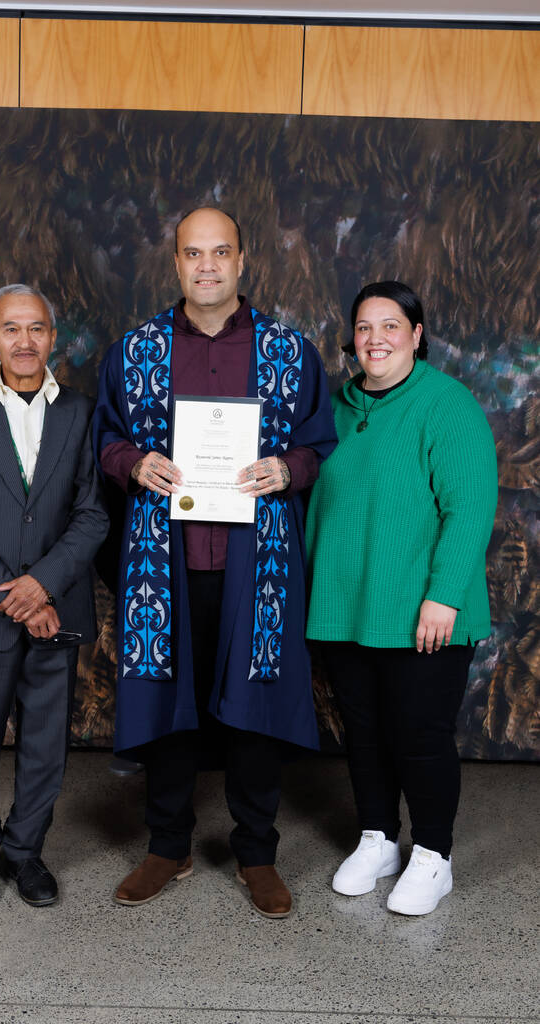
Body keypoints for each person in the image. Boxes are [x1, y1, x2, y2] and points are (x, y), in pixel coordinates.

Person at [93, 207, 336, 918]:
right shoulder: (133, 351)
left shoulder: (288, 351)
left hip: (255, 562)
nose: (207, 266)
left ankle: (256, 852)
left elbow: (319, 442)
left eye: (220, 252)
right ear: (175, 263)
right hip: (161, 562)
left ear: (241, 259)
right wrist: (133, 462)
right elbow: (104, 436)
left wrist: (286, 469)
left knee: (253, 705)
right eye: (193, 253)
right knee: (169, 702)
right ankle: (167, 846)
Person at [305, 281, 498, 915]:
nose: (376, 338)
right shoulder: (335, 408)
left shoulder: (447, 404)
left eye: (391, 325)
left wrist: (444, 595)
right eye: (364, 327)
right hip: (345, 606)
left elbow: (470, 508)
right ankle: (378, 837)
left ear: (416, 335)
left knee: (419, 734)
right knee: (363, 732)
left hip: (423, 610)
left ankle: (434, 854)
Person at [0, 284, 108, 908]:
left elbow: (92, 514)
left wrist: (44, 585)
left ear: (53, 337)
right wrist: (18, 598)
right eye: (12, 329)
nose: (25, 341)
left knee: (46, 744)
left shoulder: (82, 413)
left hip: (58, 605)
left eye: (36, 328)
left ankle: (25, 851)